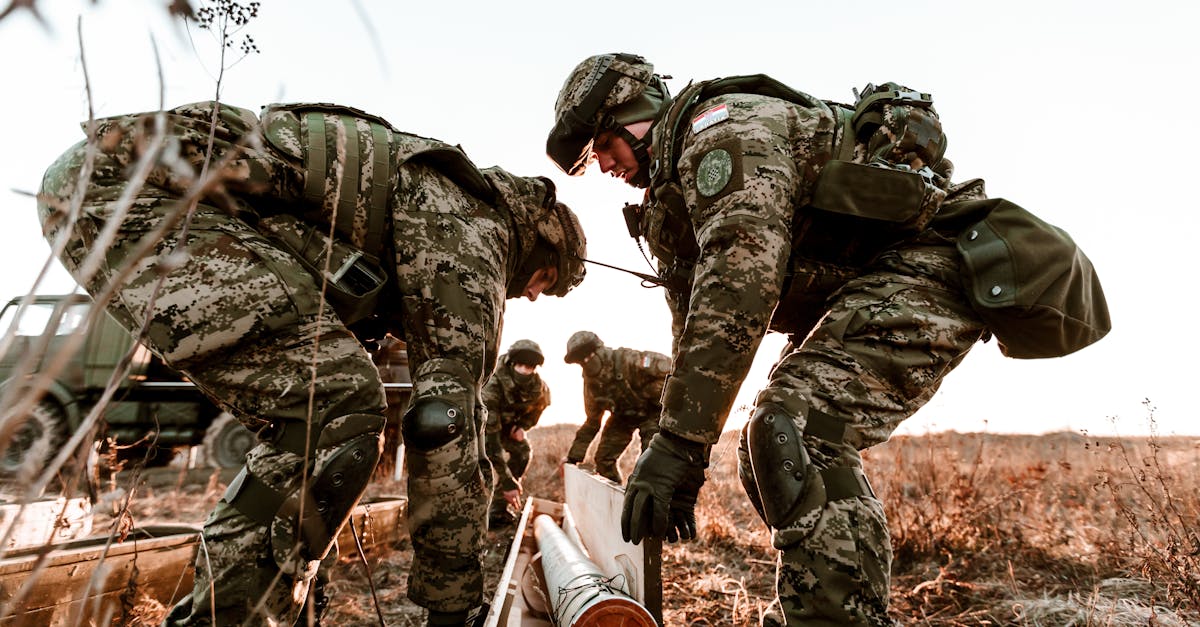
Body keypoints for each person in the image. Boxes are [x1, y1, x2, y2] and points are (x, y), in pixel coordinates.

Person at [546, 54, 1108, 625]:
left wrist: (681, 442)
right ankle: (824, 605)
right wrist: (683, 448)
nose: (603, 166)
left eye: (601, 147)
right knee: (762, 446)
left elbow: (739, 281)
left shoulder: (726, 131)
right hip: (869, 286)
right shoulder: (671, 197)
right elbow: (694, 324)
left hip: (933, 263)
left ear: (633, 116)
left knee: (795, 428)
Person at [36, 100, 586, 626]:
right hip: (137, 192)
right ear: (539, 243)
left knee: (317, 413)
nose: (533, 297)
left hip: (115, 186)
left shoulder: (436, 203)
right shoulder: (472, 226)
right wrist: (454, 604)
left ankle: (253, 605)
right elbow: (443, 419)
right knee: (338, 404)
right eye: (545, 282)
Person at [561, 330, 670, 485]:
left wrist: (651, 394)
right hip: (622, 417)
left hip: (653, 413)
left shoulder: (627, 359)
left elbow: (670, 370)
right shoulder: (592, 385)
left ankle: (645, 501)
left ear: (599, 350)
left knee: (649, 461)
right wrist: (573, 458)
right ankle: (616, 499)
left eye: (589, 355)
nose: (586, 362)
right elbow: (592, 422)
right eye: (581, 360)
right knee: (603, 460)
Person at [481, 339, 551, 528]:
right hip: (479, 427)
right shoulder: (493, 382)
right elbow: (491, 443)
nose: (524, 370)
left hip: (507, 426)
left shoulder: (539, 388)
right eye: (520, 365)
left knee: (522, 452)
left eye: (529, 367)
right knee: (479, 464)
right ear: (512, 364)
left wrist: (522, 426)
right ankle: (473, 510)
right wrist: (507, 481)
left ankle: (498, 510)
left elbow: (539, 409)